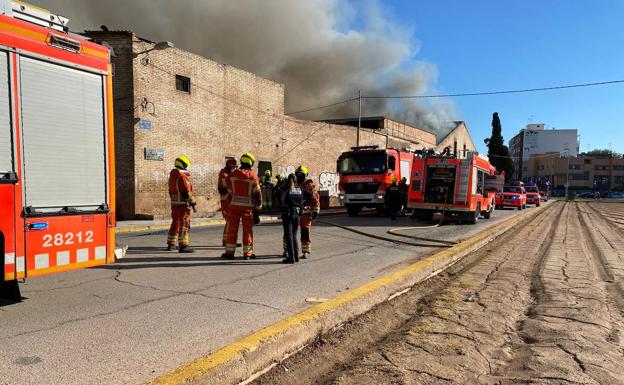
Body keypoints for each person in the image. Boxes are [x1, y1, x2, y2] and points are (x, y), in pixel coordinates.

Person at [223, 152, 262, 260]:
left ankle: (229, 253)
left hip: (234, 207)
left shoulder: (233, 174)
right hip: (247, 209)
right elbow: (257, 194)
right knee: (247, 231)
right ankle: (247, 254)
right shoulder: (253, 176)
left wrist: (227, 203)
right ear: (251, 163)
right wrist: (258, 207)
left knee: (232, 229)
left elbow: (228, 190)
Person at [280, 174, 314, 264]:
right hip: (297, 215)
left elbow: (281, 200)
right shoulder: (300, 189)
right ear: (296, 180)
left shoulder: (286, 189)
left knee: (289, 236)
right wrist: (302, 205)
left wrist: (284, 206)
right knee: (294, 235)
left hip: (288, 215)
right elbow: (311, 195)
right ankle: (296, 257)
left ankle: (291, 258)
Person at [167, 156, 196, 253]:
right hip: (183, 205)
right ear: (184, 164)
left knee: (175, 223)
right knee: (184, 224)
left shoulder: (172, 177)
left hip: (175, 204)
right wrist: (192, 202)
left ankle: (171, 244)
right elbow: (186, 192)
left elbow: (171, 191)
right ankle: (183, 245)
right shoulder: (183, 177)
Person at [296, 165, 319, 259]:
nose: (298, 176)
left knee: (305, 231)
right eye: (297, 174)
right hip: (294, 213)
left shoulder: (309, 186)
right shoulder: (294, 184)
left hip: (305, 214)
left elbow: (315, 199)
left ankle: (305, 251)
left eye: (300, 174)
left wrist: (315, 211)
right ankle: (287, 249)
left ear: (305, 175)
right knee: (289, 233)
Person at [218, 158, 237, 247]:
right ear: (229, 166)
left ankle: (227, 241)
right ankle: (228, 241)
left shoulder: (228, 174)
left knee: (229, 221)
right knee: (230, 220)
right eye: (233, 167)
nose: (235, 169)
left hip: (229, 200)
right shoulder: (224, 175)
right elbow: (227, 187)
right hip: (226, 200)